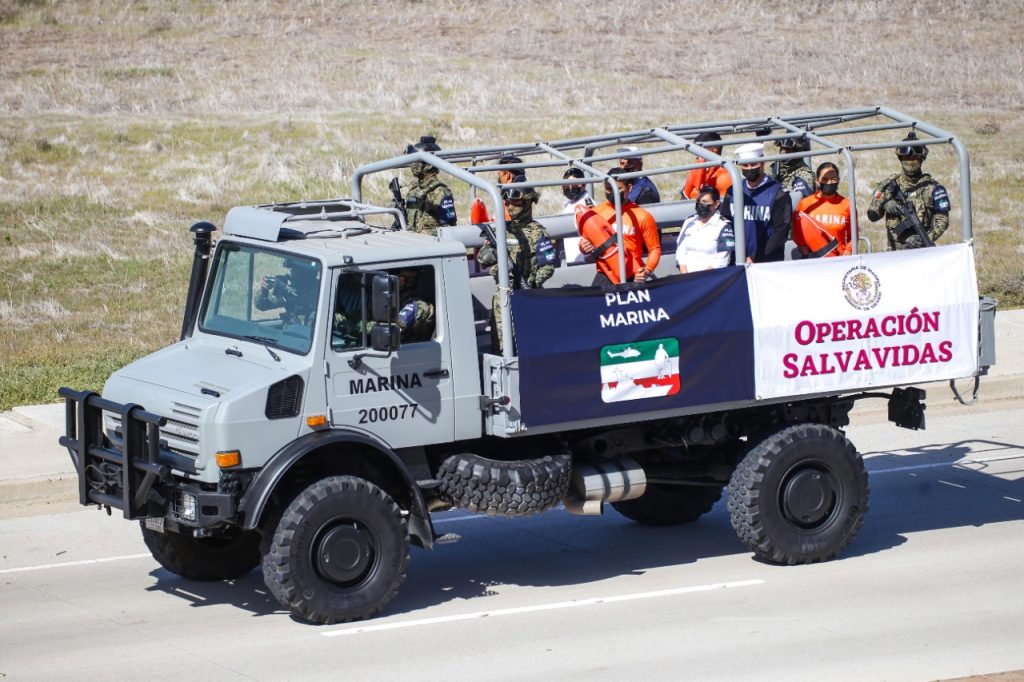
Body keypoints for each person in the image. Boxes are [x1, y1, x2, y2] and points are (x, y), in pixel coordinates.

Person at [477, 184, 557, 351]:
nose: (510, 207)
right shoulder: (500, 231)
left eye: (515, 203)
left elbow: (548, 266)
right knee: (500, 348)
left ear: (527, 203)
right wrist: (492, 254)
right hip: (503, 298)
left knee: (529, 347)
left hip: (528, 298)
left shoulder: (538, 233)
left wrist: (531, 283)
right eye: (507, 203)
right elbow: (482, 258)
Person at [866, 132, 951, 250]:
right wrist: (884, 204)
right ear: (900, 158)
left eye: (915, 157)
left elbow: (942, 219)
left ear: (922, 159)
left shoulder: (934, 188)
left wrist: (926, 238)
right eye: (907, 157)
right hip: (895, 252)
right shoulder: (889, 185)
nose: (911, 161)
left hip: (923, 249)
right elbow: (872, 215)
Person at [580, 168, 661, 284]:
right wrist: (583, 247)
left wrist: (647, 270)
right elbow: (584, 240)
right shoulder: (596, 213)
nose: (612, 193)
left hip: (633, 273)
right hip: (605, 273)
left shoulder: (642, 216)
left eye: (618, 189)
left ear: (629, 188)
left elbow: (654, 249)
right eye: (608, 189)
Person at [719, 142, 791, 263]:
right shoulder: (732, 192)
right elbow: (725, 223)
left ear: (762, 163)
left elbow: (781, 232)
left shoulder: (778, 193)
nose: (749, 168)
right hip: (736, 259)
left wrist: (754, 257)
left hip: (767, 261)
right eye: (745, 165)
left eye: (753, 164)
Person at [792, 162, 852, 258]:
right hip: (813, 259)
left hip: (839, 258)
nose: (829, 182)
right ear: (817, 180)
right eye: (825, 179)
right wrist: (801, 246)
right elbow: (796, 230)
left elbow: (853, 234)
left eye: (833, 179)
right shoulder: (806, 203)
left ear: (838, 180)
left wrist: (848, 250)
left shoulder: (847, 205)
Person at [404, 135, 457, 235]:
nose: (412, 165)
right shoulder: (414, 190)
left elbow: (449, 229)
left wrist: (426, 234)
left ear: (429, 164)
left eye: (418, 162)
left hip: (432, 246)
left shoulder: (440, 192)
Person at [675, 186, 735, 272]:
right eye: (698, 201)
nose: (700, 205)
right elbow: (680, 251)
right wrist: (685, 275)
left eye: (704, 202)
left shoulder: (723, 225)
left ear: (716, 204)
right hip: (686, 278)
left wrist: (701, 279)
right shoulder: (688, 222)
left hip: (710, 279)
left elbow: (723, 259)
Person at [255, 257, 321, 325]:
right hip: (289, 332)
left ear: (309, 272)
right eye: (293, 269)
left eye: (297, 269)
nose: (293, 272)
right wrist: (264, 291)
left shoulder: (320, 288)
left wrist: (284, 287)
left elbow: (308, 301)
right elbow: (262, 306)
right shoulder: (291, 286)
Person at [681, 131, 733, 200]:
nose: (697, 158)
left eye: (698, 153)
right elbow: (684, 198)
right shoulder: (702, 169)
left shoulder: (724, 177)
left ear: (713, 150)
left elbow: (723, 208)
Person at [771, 135, 815, 200]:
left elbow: (801, 202)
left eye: (788, 150)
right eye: (781, 148)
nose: (782, 153)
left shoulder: (803, 175)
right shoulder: (776, 168)